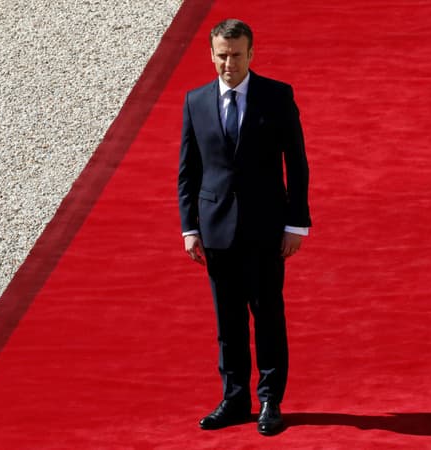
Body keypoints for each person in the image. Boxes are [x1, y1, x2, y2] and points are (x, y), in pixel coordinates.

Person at [177, 18, 311, 436]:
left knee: (268, 315)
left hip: (265, 228)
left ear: (251, 54)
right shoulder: (196, 101)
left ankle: (270, 399)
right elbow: (188, 171)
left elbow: (298, 164)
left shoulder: (276, 96)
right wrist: (189, 228)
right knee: (228, 321)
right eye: (221, 55)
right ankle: (234, 399)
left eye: (236, 55)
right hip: (216, 231)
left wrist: (296, 223)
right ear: (211, 54)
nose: (228, 64)